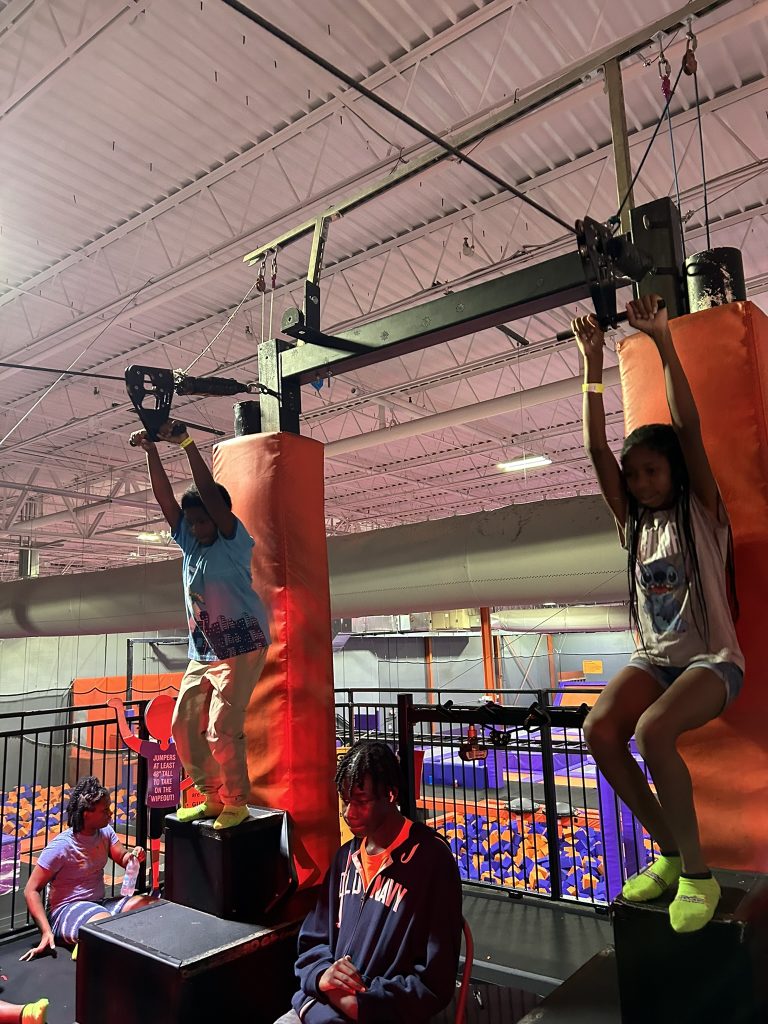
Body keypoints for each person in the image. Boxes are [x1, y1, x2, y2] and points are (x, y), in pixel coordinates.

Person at [572, 294, 743, 933]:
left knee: (652, 731)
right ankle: (669, 851)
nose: (642, 483)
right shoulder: (634, 526)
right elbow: (596, 449)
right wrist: (591, 363)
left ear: (673, 472)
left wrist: (664, 341)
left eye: (651, 471)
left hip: (714, 663)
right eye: (634, 476)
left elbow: (689, 428)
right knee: (598, 731)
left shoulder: (702, 511)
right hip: (657, 661)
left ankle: (698, 872)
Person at [130, 420, 271, 831]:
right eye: (191, 523)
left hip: (241, 645)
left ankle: (236, 802)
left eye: (202, 521)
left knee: (221, 728)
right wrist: (151, 452)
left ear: (220, 517)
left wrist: (187, 444)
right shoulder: (191, 542)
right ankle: (210, 797)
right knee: (183, 724)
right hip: (204, 649)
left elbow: (209, 495)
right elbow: (166, 501)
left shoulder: (233, 539)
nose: (195, 528)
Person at [274, 739, 462, 1024]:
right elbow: (313, 939)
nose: (349, 813)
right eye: (345, 801)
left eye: (361, 802)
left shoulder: (432, 861)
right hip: (318, 1005)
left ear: (391, 794)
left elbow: (434, 980)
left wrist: (362, 1004)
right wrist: (323, 974)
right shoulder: (345, 858)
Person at [21, 776, 152, 960]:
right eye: (105, 810)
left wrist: (133, 857)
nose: (110, 814)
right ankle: (88, 947)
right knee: (104, 924)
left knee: (150, 906)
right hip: (65, 910)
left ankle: (93, 941)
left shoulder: (106, 832)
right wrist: (45, 931)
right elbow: (31, 890)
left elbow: (122, 857)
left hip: (98, 905)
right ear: (86, 813)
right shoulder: (61, 846)